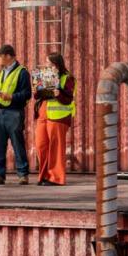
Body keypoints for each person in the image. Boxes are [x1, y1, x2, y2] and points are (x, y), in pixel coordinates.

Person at [0, 44, 32, 185]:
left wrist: (10, 96)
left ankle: (23, 174)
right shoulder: (2, 72)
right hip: (1, 112)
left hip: (15, 112)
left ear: (8, 56)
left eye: (0, 56)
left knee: (17, 143)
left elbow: (27, 94)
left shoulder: (22, 72)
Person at [34, 52, 76, 186]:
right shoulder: (44, 75)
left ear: (57, 65)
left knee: (56, 148)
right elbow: (36, 96)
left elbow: (69, 99)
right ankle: (44, 176)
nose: (46, 65)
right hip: (43, 114)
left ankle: (56, 178)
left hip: (59, 116)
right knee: (41, 145)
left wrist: (58, 93)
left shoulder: (68, 78)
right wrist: (37, 88)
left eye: (49, 63)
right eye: (46, 63)